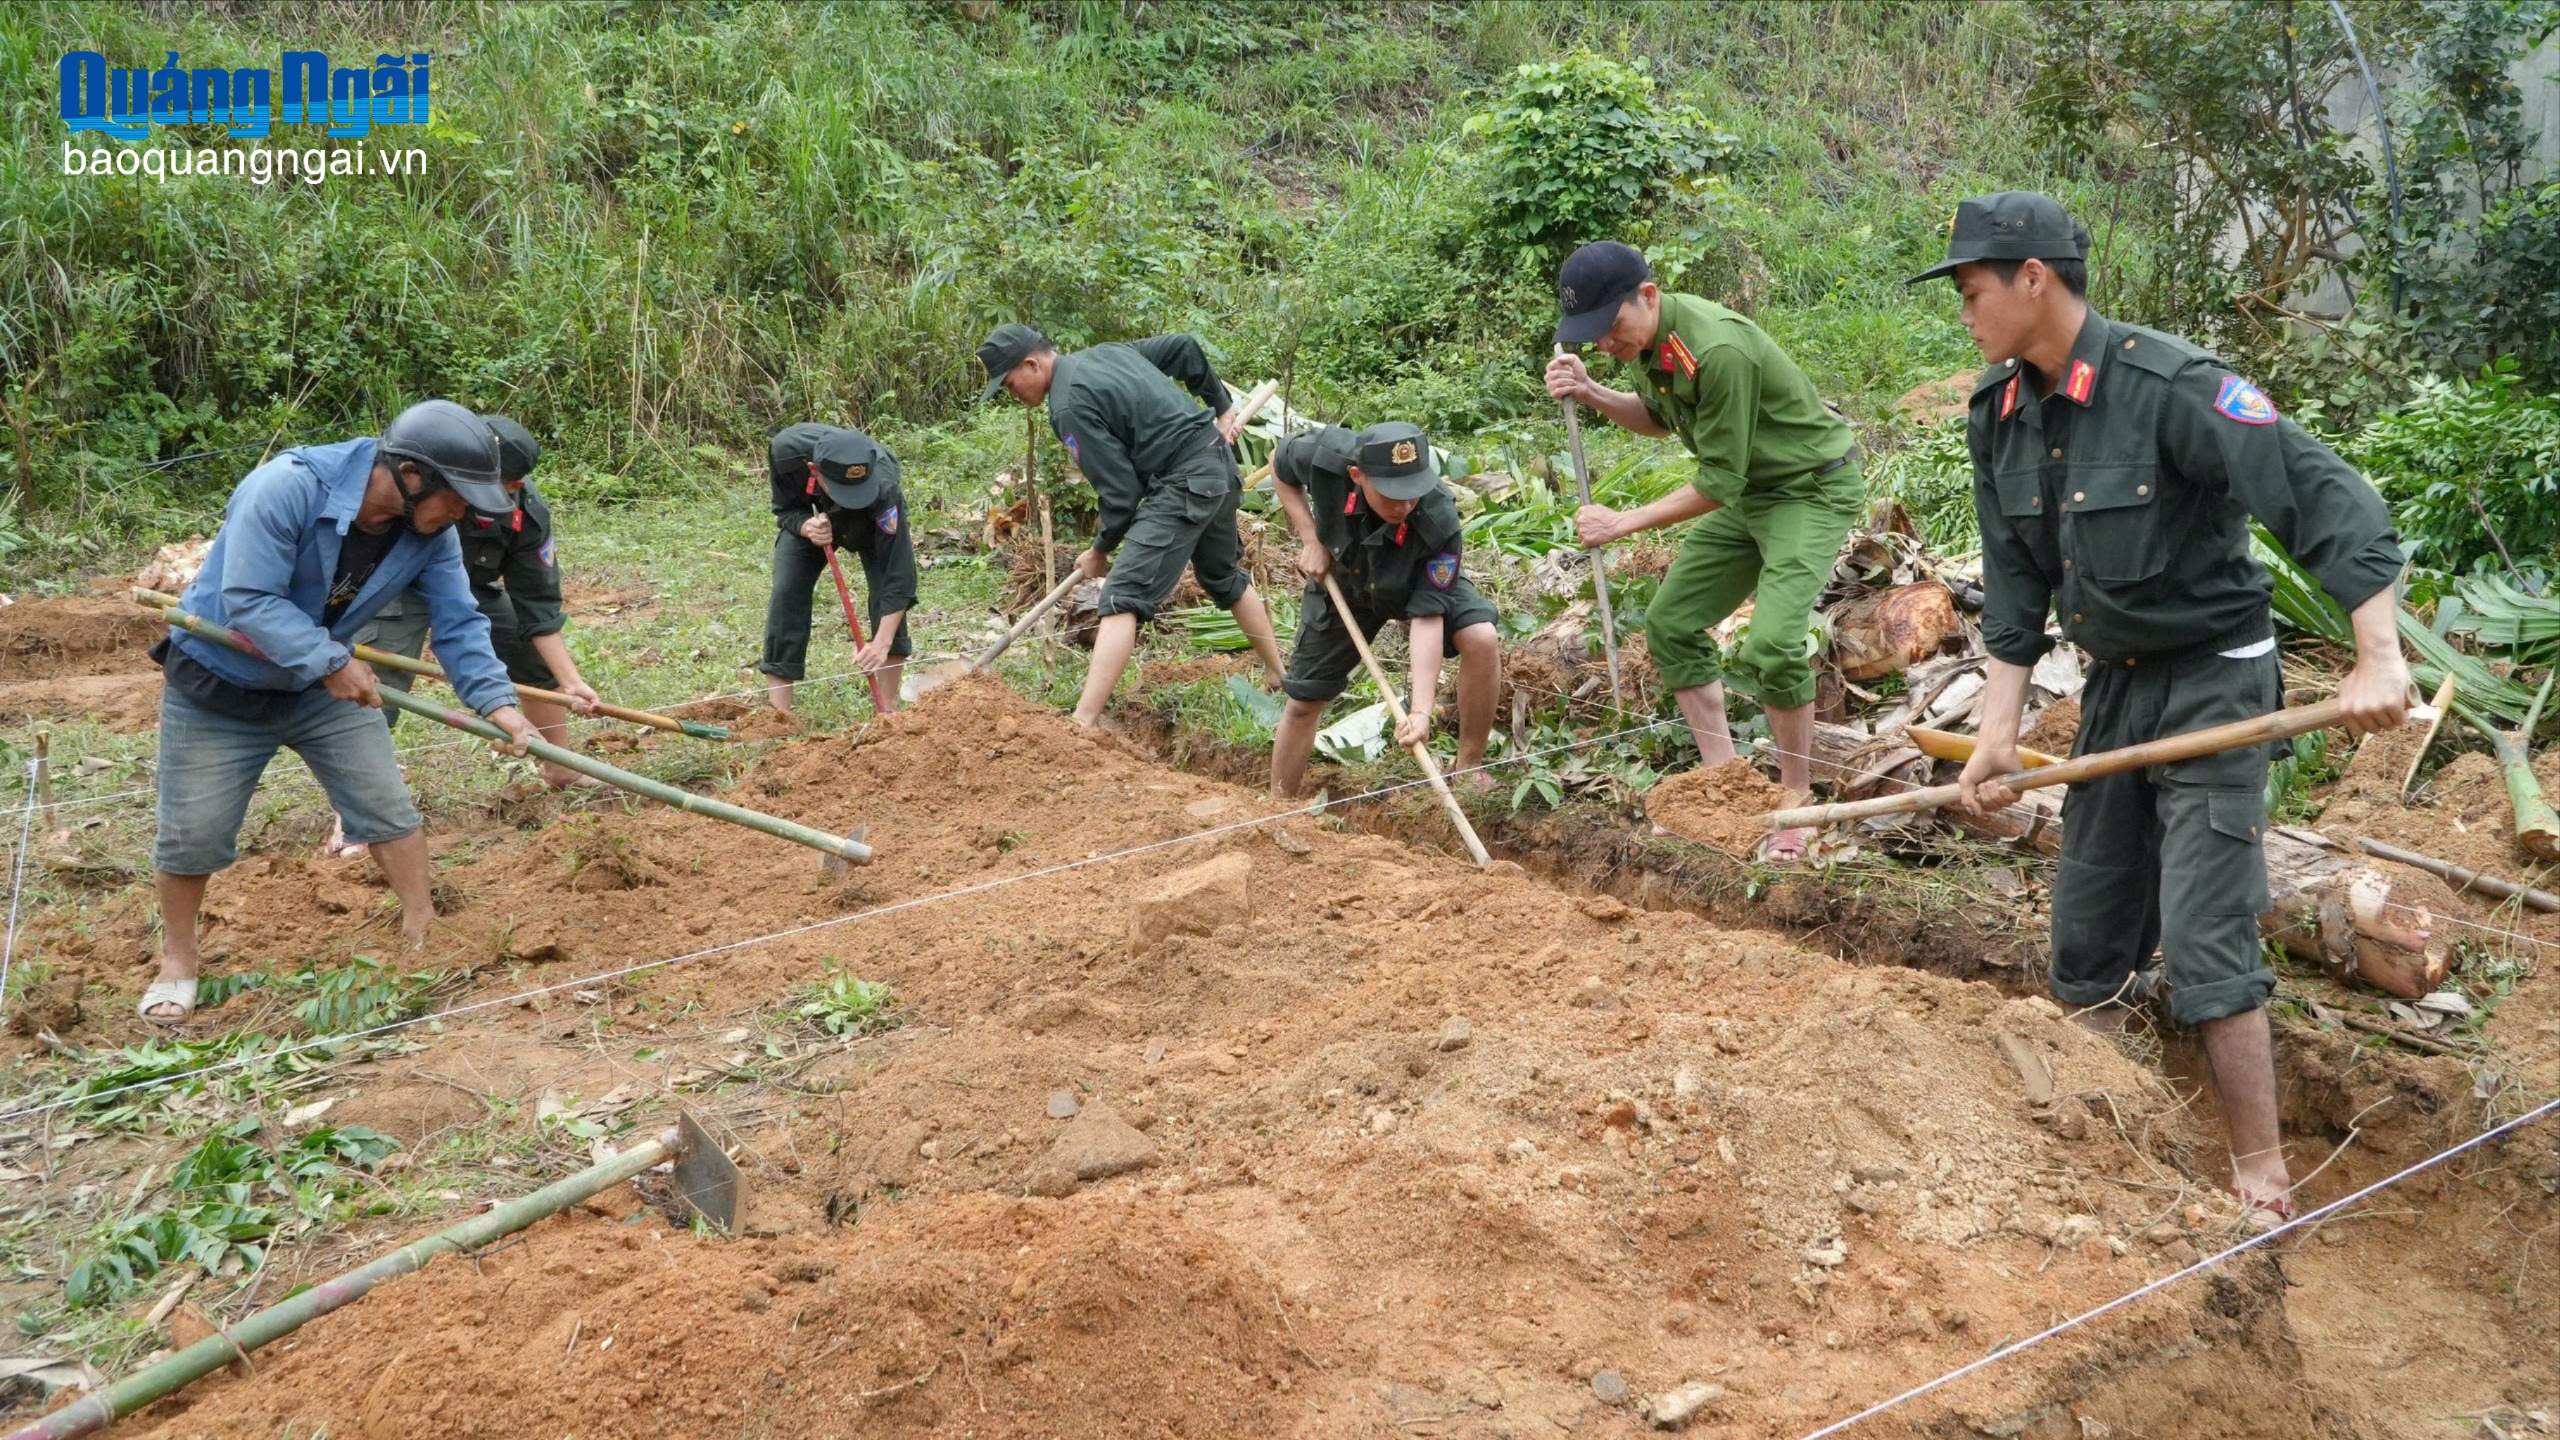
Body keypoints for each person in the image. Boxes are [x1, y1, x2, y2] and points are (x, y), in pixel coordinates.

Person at [1912, 191, 2411, 1227]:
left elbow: (2326, 498)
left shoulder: (2172, 386)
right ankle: (2095, 1134)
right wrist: (1995, 739)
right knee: (2088, 923)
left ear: (2033, 279)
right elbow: (2014, 588)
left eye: (1971, 291)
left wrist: (2377, 657)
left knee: (2202, 926)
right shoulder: (1998, 412)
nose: (1962, 314)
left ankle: (2262, 1173)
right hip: (2119, 682)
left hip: (2217, 675)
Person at [145, 400, 540, 1023]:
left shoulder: (431, 534)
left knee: (386, 808)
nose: (464, 514)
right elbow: (249, 598)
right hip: (218, 683)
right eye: (459, 498)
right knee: (193, 834)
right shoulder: (286, 488)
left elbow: (459, 621)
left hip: (319, 689)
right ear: (411, 475)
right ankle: (178, 960)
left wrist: (499, 703)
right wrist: (331, 662)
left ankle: (424, 931)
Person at [1543, 242, 1862, 863]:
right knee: (1670, 623)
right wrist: (1592, 390)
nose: (1604, 343)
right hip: (1750, 489)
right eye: (1593, 334)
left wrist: (1622, 522)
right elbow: (1660, 418)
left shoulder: (1716, 348)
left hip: (1808, 489)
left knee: (1772, 645)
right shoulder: (1647, 343)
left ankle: (1796, 804)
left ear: (1649, 295)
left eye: (1611, 325)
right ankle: (1726, 786)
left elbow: (1717, 483)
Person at [976, 322, 1285, 727]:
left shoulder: (1067, 406)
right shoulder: (1108, 352)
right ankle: (1279, 674)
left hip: (1184, 483)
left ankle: (1082, 722)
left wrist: (1099, 550)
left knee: (1122, 595)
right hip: (1216, 467)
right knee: (1222, 576)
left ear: (1031, 364)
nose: (1013, 394)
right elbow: (1182, 347)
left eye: (1010, 383)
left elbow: (1121, 493)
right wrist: (1221, 407)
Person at [323, 415, 601, 858]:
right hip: (395, 587)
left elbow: (537, 604)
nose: (501, 494)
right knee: (377, 684)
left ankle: (560, 765)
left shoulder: (523, 510)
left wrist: (570, 681)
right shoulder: (408, 488)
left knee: (524, 646)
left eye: (509, 484)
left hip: (469, 593)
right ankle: (355, 817)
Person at [1267, 422, 1501, 799]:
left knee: (1481, 636)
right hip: (1347, 577)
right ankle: (1278, 806)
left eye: (1412, 493)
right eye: (1391, 495)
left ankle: (1469, 768)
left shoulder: (1438, 517)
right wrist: (1311, 538)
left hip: (1414, 578)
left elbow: (1427, 617)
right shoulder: (1326, 456)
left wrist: (1420, 712)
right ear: (1357, 476)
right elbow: (1278, 466)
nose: (1403, 506)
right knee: (1303, 699)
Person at [759, 422, 917, 716]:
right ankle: (779, 714)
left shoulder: (884, 487)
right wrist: (805, 526)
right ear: (813, 470)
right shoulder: (786, 453)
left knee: (884, 595)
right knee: (787, 591)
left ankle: (888, 711)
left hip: (869, 522)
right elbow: (785, 510)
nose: (851, 497)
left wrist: (881, 643)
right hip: (814, 517)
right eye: (845, 490)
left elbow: (898, 573)